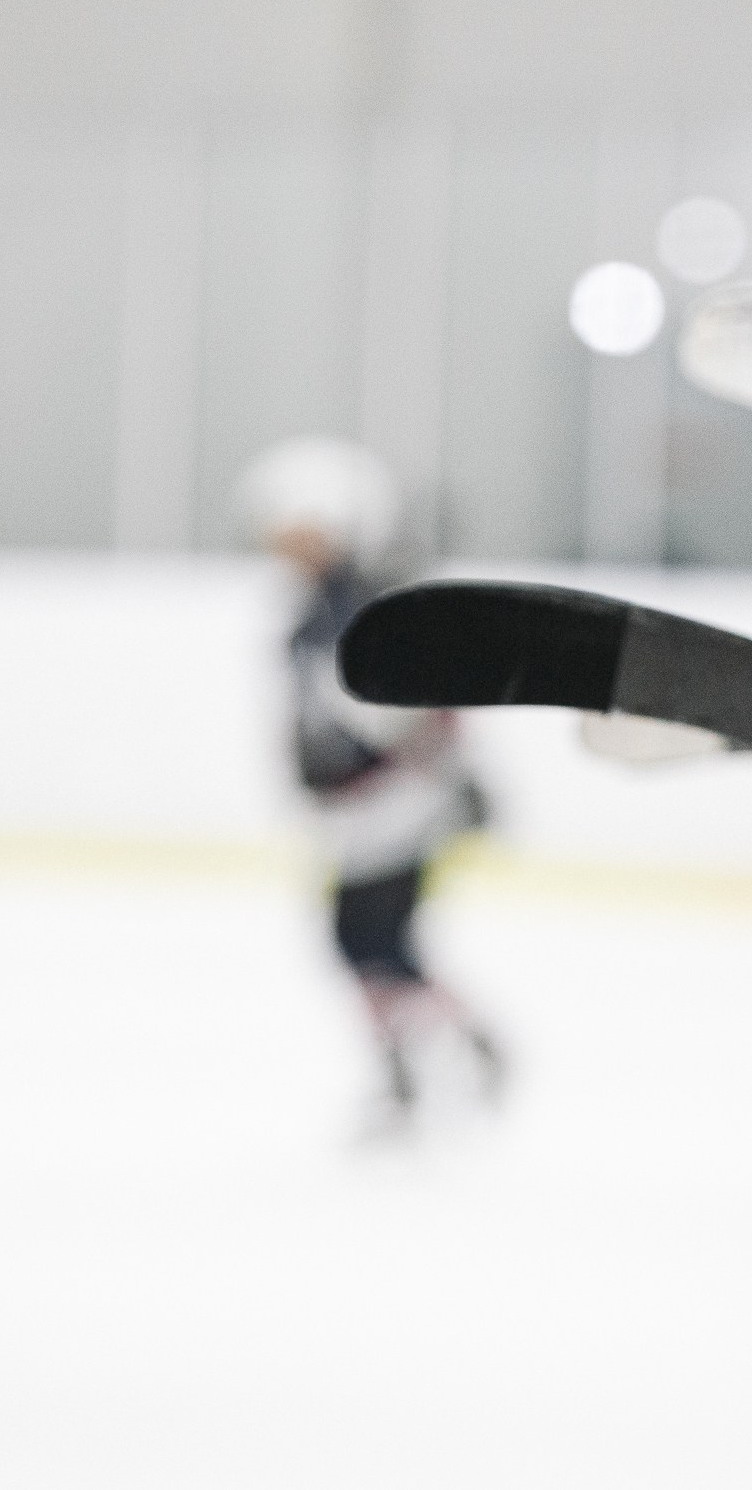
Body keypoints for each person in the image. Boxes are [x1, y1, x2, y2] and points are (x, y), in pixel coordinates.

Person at [239, 436, 501, 1123]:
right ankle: (432, 1051)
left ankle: (442, 1050)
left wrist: (438, 772)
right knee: (367, 940)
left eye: (296, 530)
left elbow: (403, 707)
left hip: (394, 801)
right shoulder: (320, 611)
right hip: (369, 803)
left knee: (368, 937)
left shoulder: (350, 606)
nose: (282, 545)